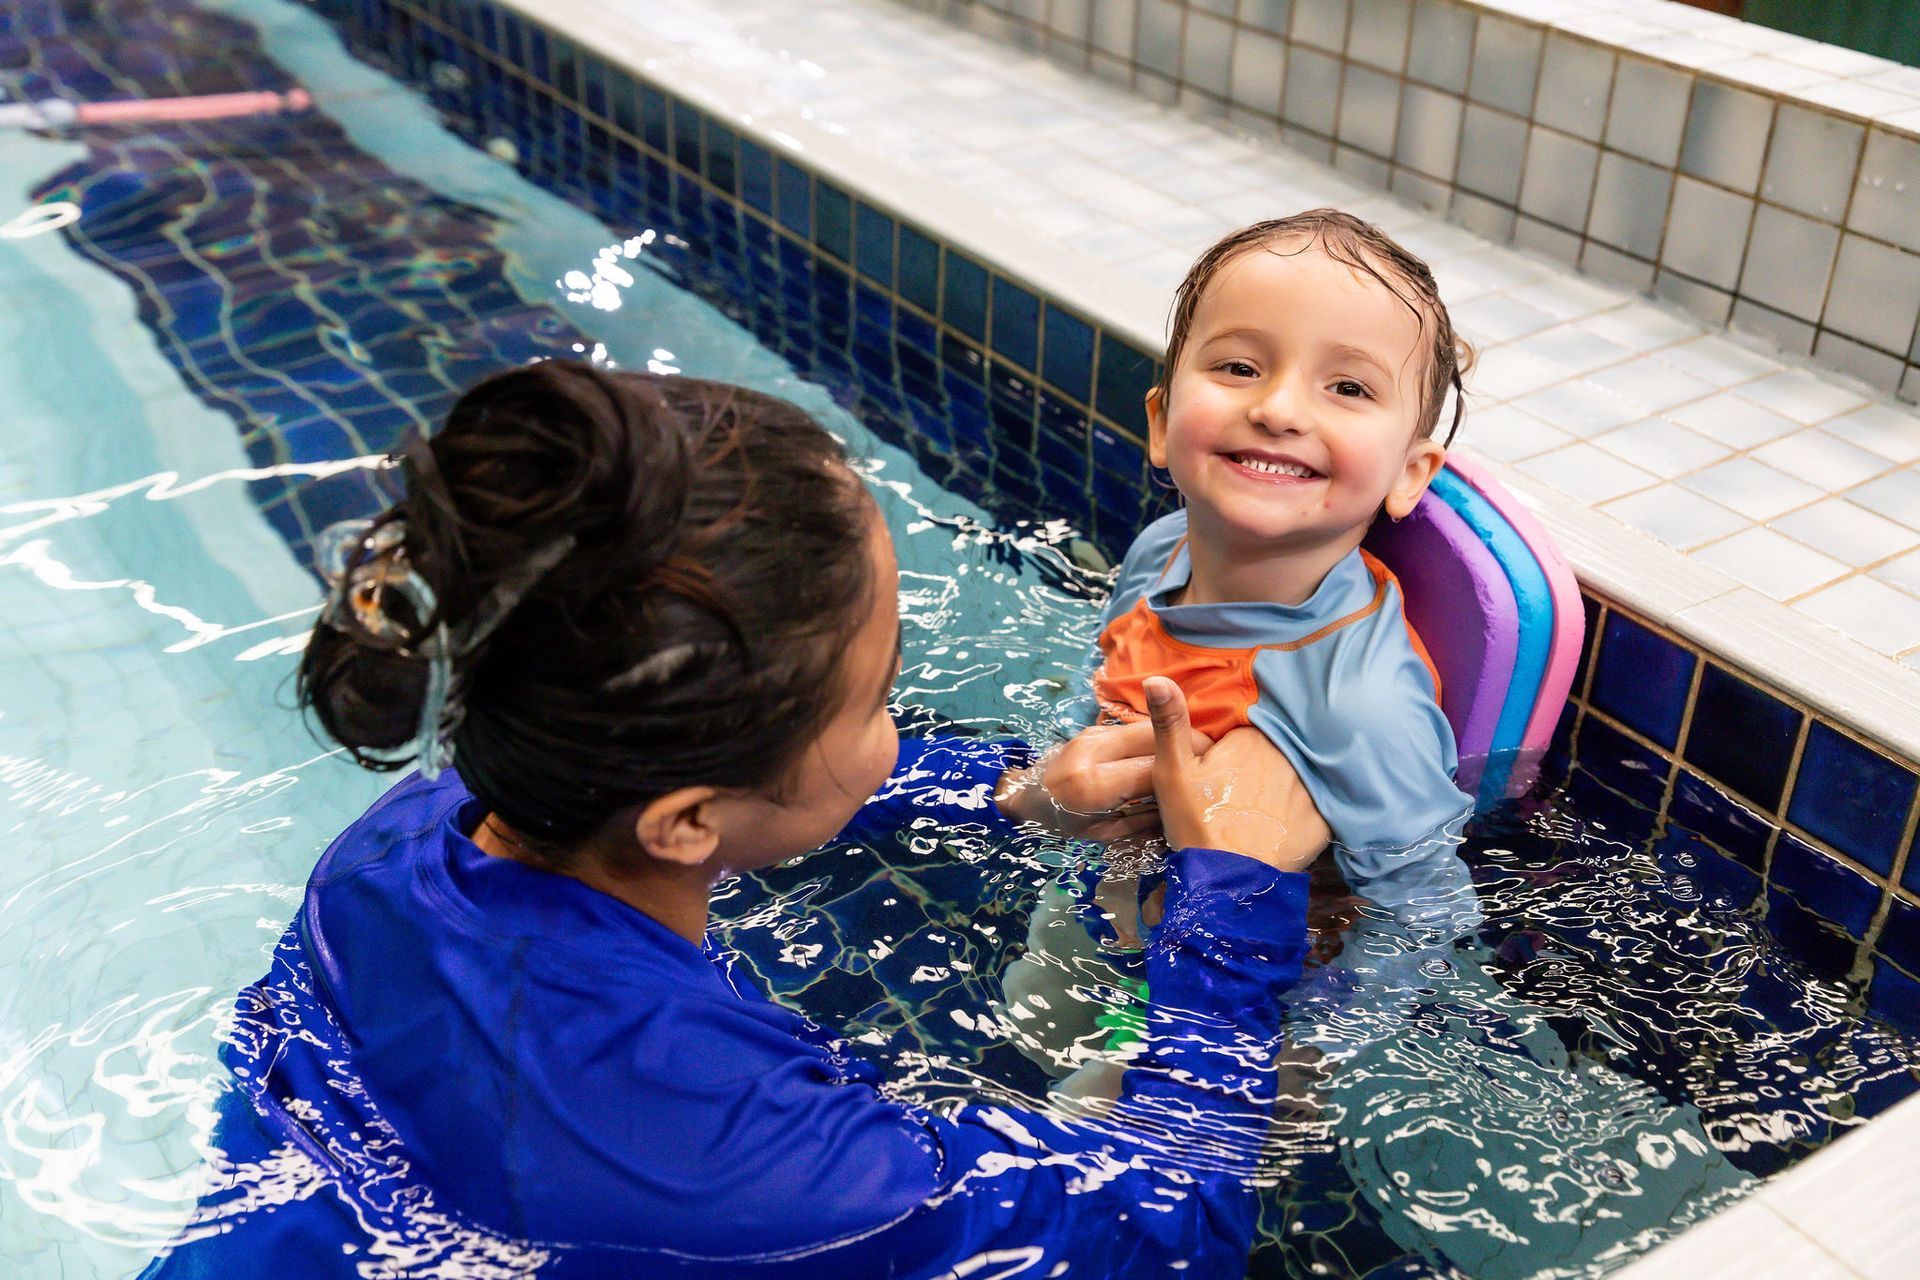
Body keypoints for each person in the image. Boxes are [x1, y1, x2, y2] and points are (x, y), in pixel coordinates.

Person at [140, 361, 1330, 1279]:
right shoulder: (746, 1157)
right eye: (876, 696)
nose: (891, 728)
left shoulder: (409, 836)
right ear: (685, 820)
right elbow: (1162, 1231)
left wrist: (1011, 791)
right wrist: (1238, 900)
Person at [999, 209, 1477, 1094]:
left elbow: (1426, 910)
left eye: (1348, 388)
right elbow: (1099, 689)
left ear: (1411, 473)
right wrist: (1048, 784)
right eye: (1238, 366)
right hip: (1119, 898)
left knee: (1087, 1127)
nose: (1279, 406)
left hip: (1266, 995)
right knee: (1028, 1018)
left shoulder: (1354, 701)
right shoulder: (1160, 551)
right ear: (1160, 420)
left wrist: (1315, 1048)